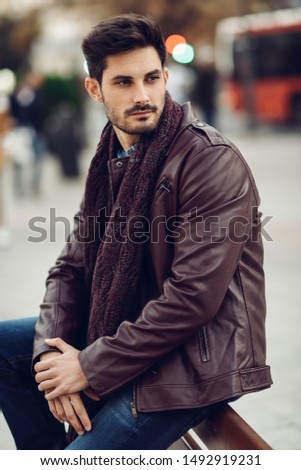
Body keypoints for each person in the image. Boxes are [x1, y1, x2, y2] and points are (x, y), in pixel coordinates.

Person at [0, 14, 272, 450]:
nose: (143, 95)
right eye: (123, 82)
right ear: (95, 89)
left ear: (166, 77)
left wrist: (89, 365)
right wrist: (55, 356)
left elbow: (192, 298)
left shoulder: (210, 160)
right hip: (136, 328)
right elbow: (69, 267)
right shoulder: (112, 156)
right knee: (8, 347)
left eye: (150, 78)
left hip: (197, 356)